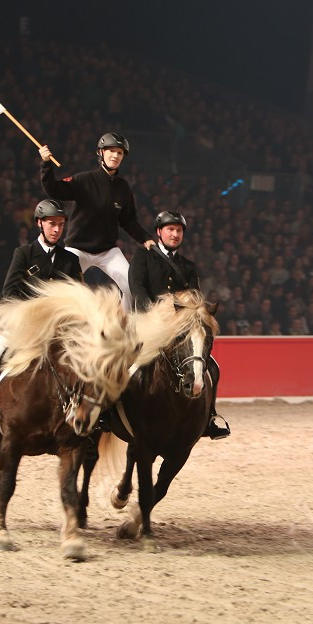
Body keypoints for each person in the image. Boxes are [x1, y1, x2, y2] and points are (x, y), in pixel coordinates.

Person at [0, 199, 84, 438]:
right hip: (26, 325)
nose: (57, 229)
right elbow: (10, 292)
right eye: (52, 224)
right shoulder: (24, 254)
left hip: (58, 329)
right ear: (40, 223)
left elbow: (79, 296)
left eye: (60, 224)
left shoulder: (70, 260)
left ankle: (89, 417)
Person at [128, 210, 229, 439]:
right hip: (148, 324)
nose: (174, 234)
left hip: (178, 331)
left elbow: (194, 299)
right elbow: (138, 290)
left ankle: (209, 417)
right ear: (159, 232)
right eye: (170, 230)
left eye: (179, 230)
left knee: (212, 366)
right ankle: (108, 413)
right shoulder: (142, 257)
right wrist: (156, 316)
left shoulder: (188, 266)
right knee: (123, 363)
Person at [39, 133, 154, 312]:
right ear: (101, 153)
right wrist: (46, 164)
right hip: (77, 249)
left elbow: (128, 220)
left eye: (120, 153)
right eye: (111, 151)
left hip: (108, 251)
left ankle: (125, 331)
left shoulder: (123, 187)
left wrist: (146, 238)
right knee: (59, 294)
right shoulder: (84, 179)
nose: (115, 156)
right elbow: (53, 190)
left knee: (133, 287)